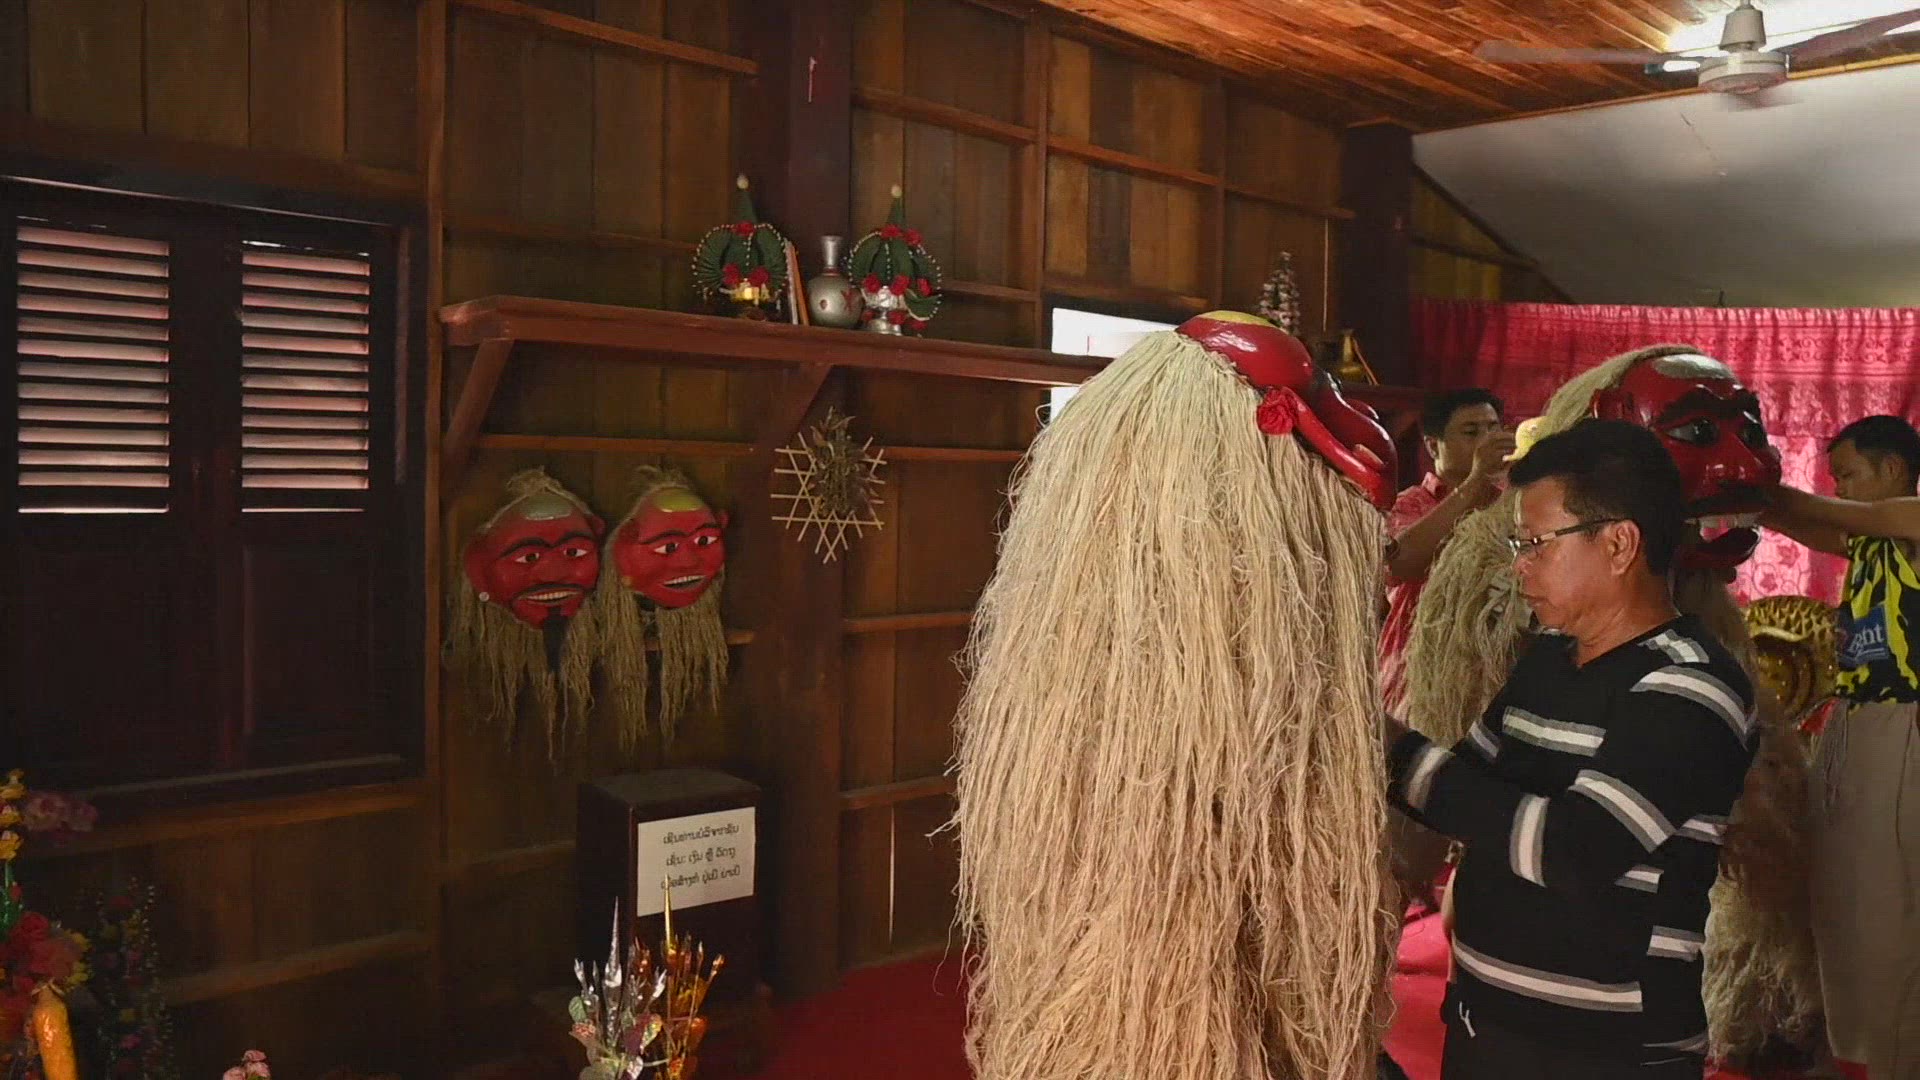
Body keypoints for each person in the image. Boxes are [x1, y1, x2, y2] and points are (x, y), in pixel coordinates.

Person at [1384, 418, 1758, 1078]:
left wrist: (1391, 747)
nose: (1519, 565)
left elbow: (1574, 851)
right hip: (1484, 1020)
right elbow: (1461, 785)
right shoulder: (1550, 659)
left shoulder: (1692, 686)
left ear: (1618, 544)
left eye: (1536, 544)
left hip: (1602, 1052)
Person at [1759, 413, 1920, 1080]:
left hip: (1904, 721)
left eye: (1849, 475)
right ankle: (1854, 1051)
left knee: (1888, 897)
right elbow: (1804, 523)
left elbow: (1820, 512)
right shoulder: (1870, 538)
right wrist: (1744, 506)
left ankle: (1893, 1059)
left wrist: (1759, 487)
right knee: (1843, 891)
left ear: (1892, 469)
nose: (1840, 490)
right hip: (1854, 717)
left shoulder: (1910, 518)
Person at [1381, 388, 1515, 714]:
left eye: (1493, 428)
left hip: (1491, 678)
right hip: (1417, 679)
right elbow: (1399, 564)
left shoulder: (1512, 506)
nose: (1486, 440)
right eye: (1471, 432)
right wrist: (1476, 482)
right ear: (1432, 445)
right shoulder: (1407, 504)